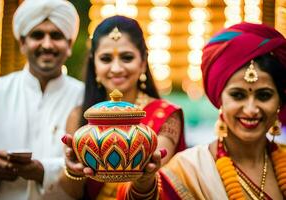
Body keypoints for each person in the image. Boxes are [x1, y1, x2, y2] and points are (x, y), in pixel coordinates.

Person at [117, 22, 286, 200]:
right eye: (237, 95)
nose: (251, 109)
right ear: (219, 98)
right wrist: (143, 184)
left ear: (279, 101)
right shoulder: (188, 170)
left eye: (264, 95)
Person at [50, 15, 186, 200]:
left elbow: (150, 185)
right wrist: (73, 171)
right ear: (94, 65)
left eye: (127, 58)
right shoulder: (80, 116)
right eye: (106, 59)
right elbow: (70, 194)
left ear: (143, 62)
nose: (116, 68)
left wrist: (144, 178)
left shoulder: (166, 115)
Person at [0, 0, 84, 199]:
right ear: (22, 43)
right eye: (37, 35)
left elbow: (90, 167)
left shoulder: (83, 96)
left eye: (56, 36)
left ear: (69, 44)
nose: (47, 45)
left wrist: (42, 171)